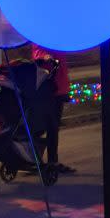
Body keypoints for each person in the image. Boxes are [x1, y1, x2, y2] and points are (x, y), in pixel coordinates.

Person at [30, 45, 76, 175]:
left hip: (58, 86)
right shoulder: (43, 36)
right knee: (46, 125)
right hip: (48, 87)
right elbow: (37, 51)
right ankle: (37, 159)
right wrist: (45, 57)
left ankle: (51, 161)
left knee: (53, 127)